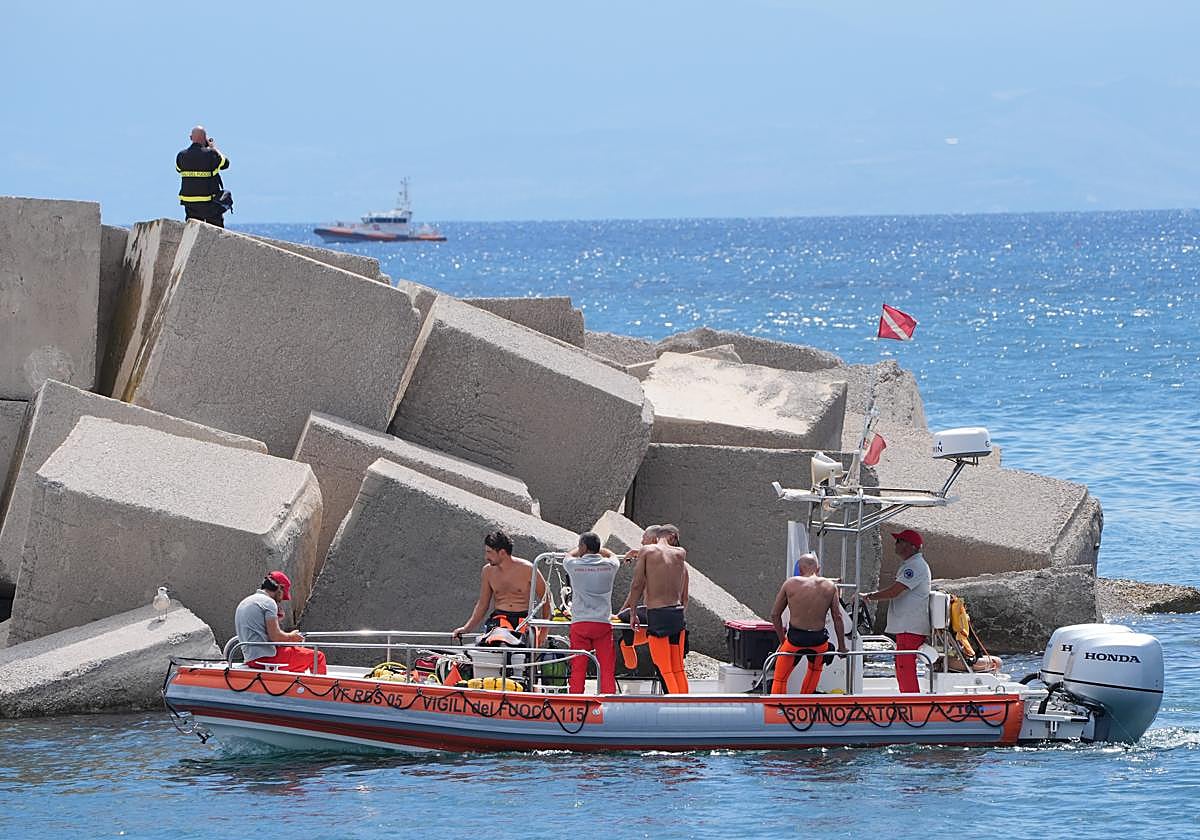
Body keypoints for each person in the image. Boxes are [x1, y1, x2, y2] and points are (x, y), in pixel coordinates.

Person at [621, 524, 690, 694]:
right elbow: (684, 596)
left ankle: (676, 708)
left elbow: (637, 585)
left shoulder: (648, 551)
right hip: (677, 614)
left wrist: (632, 612)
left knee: (665, 668)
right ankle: (688, 704)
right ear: (672, 536)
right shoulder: (680, 554)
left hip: (658, 615)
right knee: (678, 668)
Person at [861, 529, 931, 693]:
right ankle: (907, 697)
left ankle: (911, 701)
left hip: (910, 626)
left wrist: (869, 597)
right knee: (901, 665)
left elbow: (895, 591)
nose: (895, 544)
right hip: (906, 625)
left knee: (905, 666)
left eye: (899, 541)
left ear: (910, 546)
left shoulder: (915, 566)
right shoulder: (911, 565)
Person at [768, 553, 847, 694]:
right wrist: (841, 646)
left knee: (780, 678)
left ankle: (777, 708)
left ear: (800, 568)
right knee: (814, 670)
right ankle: (806, 703)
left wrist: (782, 641)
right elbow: (838, 617)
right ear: (818, 568)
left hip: (795, 640)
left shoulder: (790, 583)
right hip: (818, 640)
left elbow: (775, 615)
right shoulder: (830, 586)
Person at [452, 530, 549, 644]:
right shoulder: (487, 571)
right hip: (500, 618)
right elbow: (483, 604)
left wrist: (543, 632)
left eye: (489, 552)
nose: (486, 557)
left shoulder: (528, 569)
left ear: (502, 552)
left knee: (520, 647)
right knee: (497, 641)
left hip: (524, 619)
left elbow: (546, 601)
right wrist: (466, 628)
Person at [233, 571, 327, 674]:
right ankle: (321, 689)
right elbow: (275, 637)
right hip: (266, 658)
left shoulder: (247, 601)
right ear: (280, 588)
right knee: (317, 657)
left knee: (299, 663)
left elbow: (260, 631)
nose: (282, 599)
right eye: (284, 594)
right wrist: (292, 637)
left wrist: (277, 619)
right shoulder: (269, 603)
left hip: (250, 659)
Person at [563, 531, 620, 694]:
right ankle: (608, 700)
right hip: (602, 623)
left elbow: (568, 555)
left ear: (583, 547)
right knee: (607, 668)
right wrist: (601, 550)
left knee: (578, 668)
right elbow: (612, 555)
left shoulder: (574, 566)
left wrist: (579, 550)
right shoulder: (610, 566)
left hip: (580, 623)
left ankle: (576, 701)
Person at [177, 125, 230, 227]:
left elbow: (178, 169)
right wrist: (213, 148)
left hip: (190, 204)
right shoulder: (211, 154)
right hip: (209, 203)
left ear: (191, 138)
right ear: (205, 138)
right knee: (216, 229)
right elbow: (226, 163)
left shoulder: (181, 155)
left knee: (193, 228)